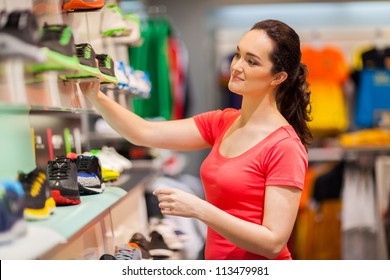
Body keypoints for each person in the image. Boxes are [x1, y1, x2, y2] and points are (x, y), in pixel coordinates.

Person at [80, 19, 312, 260]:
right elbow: (144, 133)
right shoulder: (222, 122)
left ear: (278, 77)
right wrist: (95, 96)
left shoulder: (284, 146)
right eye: (237, 55)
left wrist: (200, 210)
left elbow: (273, 243)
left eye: (251, 62)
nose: (237, 66)